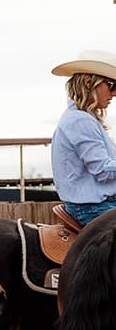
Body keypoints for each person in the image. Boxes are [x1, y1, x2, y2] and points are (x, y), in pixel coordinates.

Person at [50, 49, 116, 225]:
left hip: (96, 206)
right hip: (94, 209)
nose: (114, 93)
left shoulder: (81, 118)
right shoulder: (81, 120)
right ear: (88, 83)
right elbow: (103, 170)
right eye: (111, 85)